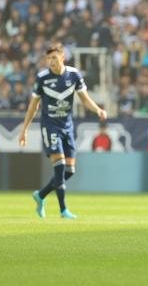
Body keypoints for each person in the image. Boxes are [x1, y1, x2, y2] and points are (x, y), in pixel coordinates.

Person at [19, 42, 107, 219]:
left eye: (54, 57)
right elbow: (33, 106)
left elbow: (85, 99)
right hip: (50, 126)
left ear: (62, 57)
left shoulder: (74, 75)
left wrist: (97, 109)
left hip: (67, 126)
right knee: (59, 167)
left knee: (69, 171)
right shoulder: (42, 78)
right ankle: (63, 210)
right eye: (48, 58)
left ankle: (41, 195)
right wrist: (24, 130)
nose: (50, 61)